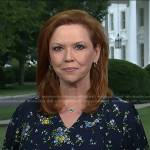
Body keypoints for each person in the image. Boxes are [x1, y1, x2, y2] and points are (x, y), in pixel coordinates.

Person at [3, 9, 149, 150]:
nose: (68, 57)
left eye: (79, 47)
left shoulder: (122, 115)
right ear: (48, 56)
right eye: (58, 48)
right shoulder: (25, 113)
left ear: (96, 53)